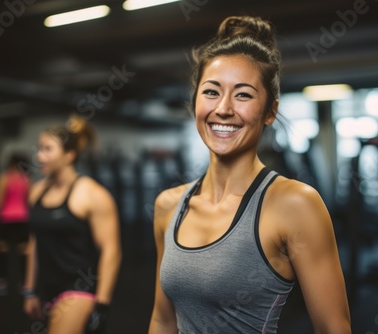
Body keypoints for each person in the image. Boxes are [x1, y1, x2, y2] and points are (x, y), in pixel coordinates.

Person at [148, 16, 351, 333]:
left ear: (270, 111)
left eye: (243, 95)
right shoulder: (168, 206)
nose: (224, 109)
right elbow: (162, 320)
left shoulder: (296, 205)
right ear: (195, 102)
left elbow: (334, 329)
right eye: (211, 92)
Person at [23, 115, 122, 334]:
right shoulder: (36, 191)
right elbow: (34, 242)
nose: (40, 156)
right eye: (39, 148)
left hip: (78, 289)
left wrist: (102, 305)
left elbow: (111, 250)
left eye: (48, 149)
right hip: (47, 288)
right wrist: (29, 290)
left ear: (69, 155)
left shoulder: (92, 195)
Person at [0, 152, 31, 296]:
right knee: (23, 252)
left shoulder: (3, 177)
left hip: (6, 219)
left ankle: (1, 283)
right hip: (23, 219)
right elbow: (29, 201)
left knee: (2, 250)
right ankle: (24, 285)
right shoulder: (26, 179)